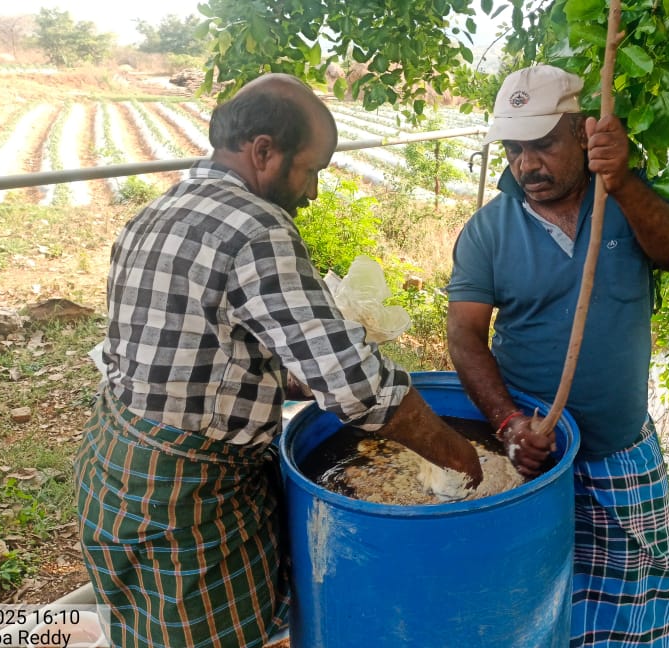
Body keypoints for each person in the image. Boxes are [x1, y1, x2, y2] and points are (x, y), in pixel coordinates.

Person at [75, 73, 482, 648]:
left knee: (145, 630)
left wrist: (293, 377)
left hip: (116, 468)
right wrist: (457, 454)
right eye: (311, 169)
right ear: (263, 151)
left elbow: (202, 350)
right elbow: (360, 388)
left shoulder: (162, 209)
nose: (312, 191)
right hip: (184, 498)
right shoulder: (257, 227)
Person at [446, 65, 669, 647]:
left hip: (619, 452)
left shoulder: (625, 203)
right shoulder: (487, 231)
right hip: (532, 459)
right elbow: (464, 336)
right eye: (513, 150)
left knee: (634, 601)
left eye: (541, 145)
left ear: (583, 133)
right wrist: (508, 424)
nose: (526, 164)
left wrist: (623, 181)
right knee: (530, 598)